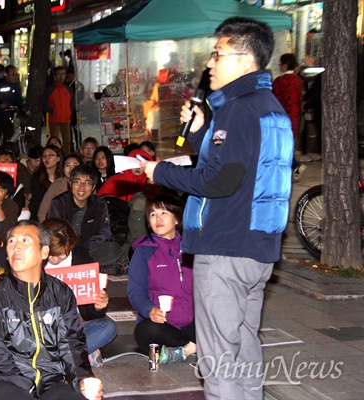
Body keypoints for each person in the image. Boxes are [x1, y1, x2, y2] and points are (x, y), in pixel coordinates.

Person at [140, 17, 292, 399]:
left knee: (219, 357)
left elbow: (219, 182)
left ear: (245, 59)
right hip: (256, 248)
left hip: (225, 248)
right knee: (243, 345)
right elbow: (239, 167)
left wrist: (161, 171)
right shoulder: (268, 107)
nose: (210, 63)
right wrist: (199, 133)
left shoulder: (240, 109)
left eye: (218, 54)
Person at [0, 220, 102, 400]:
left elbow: (72, 345)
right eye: (12, 241)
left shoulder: (61, 293)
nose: (16, 247)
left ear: (44, 251)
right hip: (4, 381)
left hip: (49, 383)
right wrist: (29, 390)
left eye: (25, 241)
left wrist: (82, 379)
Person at [127, 194, 196, 364]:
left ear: (177, 219)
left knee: (220, 319)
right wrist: (150, 310)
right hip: (163, 326)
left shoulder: (193, 248)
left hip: (193, 322)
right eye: (152, 214)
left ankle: (186, 349)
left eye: (163, 213)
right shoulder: (144, 252)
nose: (157, 218)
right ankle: (196, 345)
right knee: (146, 332)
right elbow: (136, 292)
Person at [43, 218, 117, 367]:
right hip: (42, 326)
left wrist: (97, 306)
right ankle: (77, 355)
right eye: (52, 255)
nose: (56, 260)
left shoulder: (80, 256)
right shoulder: (32, 258)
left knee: (108, 327)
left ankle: (58, 360)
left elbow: (87, 312)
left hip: (73, 326)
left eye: (62, 254)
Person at [47, 165, 121, 269]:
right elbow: (54, 233)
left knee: (113, 249)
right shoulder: (59, 203)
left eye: (87, 183)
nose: (82, 187)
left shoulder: (99, 204)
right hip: (64, 249)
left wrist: (83, 249)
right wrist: (70, 249)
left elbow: (105, 232)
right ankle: (91, 266)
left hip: (88, 248)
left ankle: (80, 265)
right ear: (70, 183)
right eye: (77, 182)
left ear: (93, 187)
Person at [272, 53, 307, 181]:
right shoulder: (298, 81)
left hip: (281, 118)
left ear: (285, 65)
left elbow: (274, 100)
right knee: (287, 144)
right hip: (294, 117)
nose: (279, 66)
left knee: (280, 145)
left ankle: (294, 166)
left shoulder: (279, 81)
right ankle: (293, 167)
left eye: (280, 64)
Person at [37, 153, 82, 222]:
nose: (71, 169)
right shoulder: (57, 184)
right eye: (67, 165)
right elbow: (43, 211)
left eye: (75, 166)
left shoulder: (87, 185)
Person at [0, 65, 26, 141]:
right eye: (12, 75)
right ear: (6, 75)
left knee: (5, 132)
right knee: (9, 131)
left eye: (16, 75)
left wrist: (23, 110)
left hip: (8, 113)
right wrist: (0, 104)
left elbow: (18, 99)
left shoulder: (15, 86)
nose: (15, 77)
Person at [43, 66, 74, 154]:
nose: (61, 77)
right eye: (58, 74)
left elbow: (72, 103)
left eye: (63, 74)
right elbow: (44, 103)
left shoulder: (68, 89)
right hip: (54, 119)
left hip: (66, 119)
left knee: (67, 142)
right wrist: (53, 111)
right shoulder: (50, 89)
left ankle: (67, 157)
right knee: (54, 142)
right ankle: (55, 156)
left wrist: (68, 112)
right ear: (55, 76)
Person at [28, 145, 63, 220]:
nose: (46, 158)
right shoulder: (37, 176)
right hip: (40, 212)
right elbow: (37, 200)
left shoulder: (63, 176)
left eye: (51, 155)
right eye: (44, 156)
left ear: (58, 158)